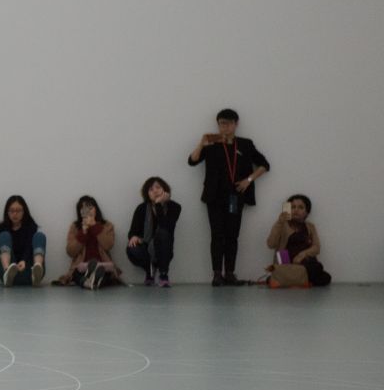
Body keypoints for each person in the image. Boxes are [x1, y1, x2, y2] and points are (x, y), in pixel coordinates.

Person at [188, 108, 270, 285]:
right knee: (217, 235)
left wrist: (248, 179)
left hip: (236, 196)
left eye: (228, 123)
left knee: (232, 236)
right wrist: (202, 143)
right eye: (221, 123)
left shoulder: (245, 144)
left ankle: (230, 273)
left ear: (236, 124)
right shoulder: (212, 142)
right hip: (214, 197)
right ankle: (217, 274)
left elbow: (264, 165)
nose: (225, 127)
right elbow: (192, 161)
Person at [126, 177, 181, 287]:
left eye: (158, 187)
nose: (155, 191)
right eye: (151, 189)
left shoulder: (174, 207)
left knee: (163, 233)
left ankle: (163, 274)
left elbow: (166, 227)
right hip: (146, 246)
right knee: (132, 248)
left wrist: (158, 205)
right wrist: (134, 237)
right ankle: (149, 271)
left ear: (164, 190)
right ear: (147, 193)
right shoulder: (141, 208)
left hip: (164, 246)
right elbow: (132, 231)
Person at [56, 195, 121, 288]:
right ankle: (91, 282)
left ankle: (90, 282)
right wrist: (83, 232)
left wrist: (95, 226)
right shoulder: (75, 227)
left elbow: (108, 245)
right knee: (76, 274)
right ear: (80, 212)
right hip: (82, 267)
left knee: (105, 273)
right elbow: (70, 251)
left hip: (102, 265)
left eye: (90, 208)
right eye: (84, 209)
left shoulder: (107, 225)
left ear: (96, 209)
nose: (88, 211)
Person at [267, 194, 331, 286]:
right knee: (317, 270)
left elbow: (317, 248)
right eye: (293, 207)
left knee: (325, 276)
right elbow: (271, 244)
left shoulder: (310, 226)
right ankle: (302, 279)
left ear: (307, 212)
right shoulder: (282, 225)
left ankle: (295, 279)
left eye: (301, 207)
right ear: (288, 209)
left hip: (305, 261)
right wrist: (279, 222)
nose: (296, 210)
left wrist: (302, 255)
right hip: (286, 262)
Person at [0, 195, 46, 286]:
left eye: (18, 211)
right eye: (12, 211)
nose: (15, 214)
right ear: (7, 212)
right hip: (8, 269)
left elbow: (29, 248)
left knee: (40, 236)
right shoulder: (1, 227)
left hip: (29, 270)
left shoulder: (31, 226)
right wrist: (13, 265)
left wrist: (24, 261)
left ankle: (37, 270)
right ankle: (8, 272)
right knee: (4, 235)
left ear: (24, 212)